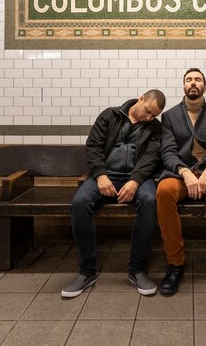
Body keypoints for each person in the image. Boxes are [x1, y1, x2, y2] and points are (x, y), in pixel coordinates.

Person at [61, 89, 165, 298]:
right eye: (147, 111)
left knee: (150, 200)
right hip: (106, 176)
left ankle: (137, 269)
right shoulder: (109, 115)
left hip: (137, 178)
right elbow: (93, 147)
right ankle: (86, 271)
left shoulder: (154, 127)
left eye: (154, 115)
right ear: (141, 99)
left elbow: (152, 157)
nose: (148, 117)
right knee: (80, 202)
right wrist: (100, 175)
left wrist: (135, 180)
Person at [156, 68, 206, 298]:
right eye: (189, 80)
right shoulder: (170, 116)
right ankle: (175, 263)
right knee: (163, 191)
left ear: (205, 86)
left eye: (198, 80)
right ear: (183, 86)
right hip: (181, 176)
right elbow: (168, 152)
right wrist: (183, 171)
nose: (193, 83)